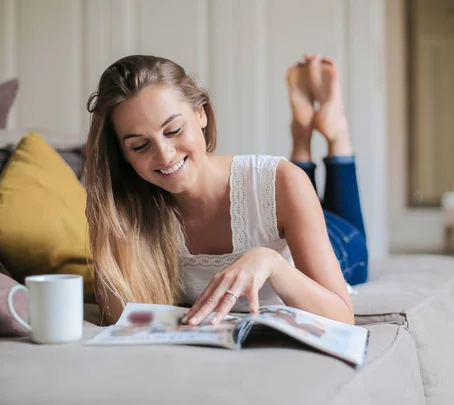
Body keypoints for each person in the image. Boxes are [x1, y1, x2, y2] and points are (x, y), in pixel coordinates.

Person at [83, 53, 368, 327]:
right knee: (296, 190)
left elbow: (343, 317)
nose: (165, 155)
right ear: (122, 155)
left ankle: (331, 134)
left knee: (337, 227)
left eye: (173, 131)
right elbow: (119, 317)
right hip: (287, 206)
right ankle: (303, 137)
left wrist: (273, 262)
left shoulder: (280, 180)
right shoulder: (128, 210)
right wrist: (107, 214)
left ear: (201, 114)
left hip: (329, 239)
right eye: (140, 146)